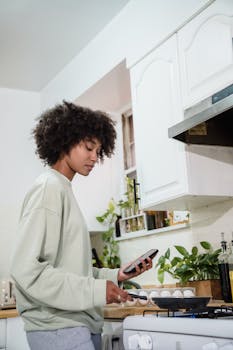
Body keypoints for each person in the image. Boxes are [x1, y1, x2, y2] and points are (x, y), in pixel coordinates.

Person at [10, 101, 152, 350]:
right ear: (65, 141)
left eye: (98, 150)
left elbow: (71, 270)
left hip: (74, 325)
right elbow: (26, 271)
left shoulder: (62, 189)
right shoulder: (49, 188)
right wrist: (96, 290)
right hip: (59, 329)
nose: (94, 157)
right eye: (89, 148)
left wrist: (116, 275)